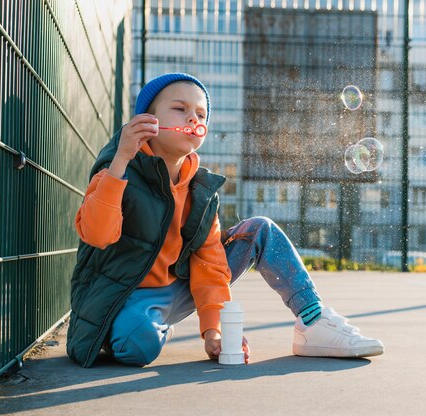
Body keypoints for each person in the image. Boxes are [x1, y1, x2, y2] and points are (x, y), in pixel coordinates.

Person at [66, 73, 384, 368]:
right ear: (146, 121)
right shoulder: (117, 172)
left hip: (179, 286)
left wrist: (212, 331)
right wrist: (121, 159)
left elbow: (210, 262)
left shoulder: (201, 190)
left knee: (260, 230)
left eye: (201, 115)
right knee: (138, 347)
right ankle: (143, 326)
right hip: (128, 293)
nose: (193, 118)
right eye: (180, 108)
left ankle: (313, 322)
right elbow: (97, 235)